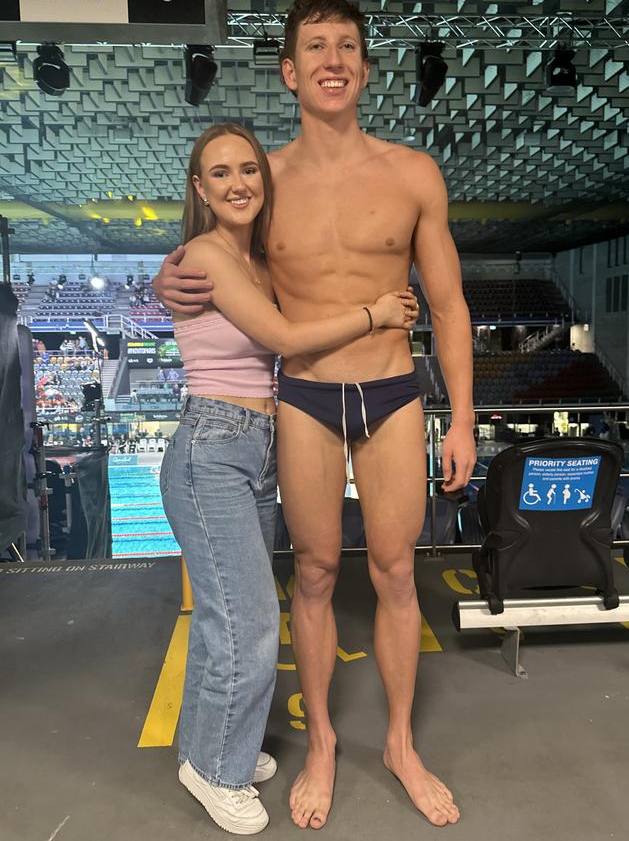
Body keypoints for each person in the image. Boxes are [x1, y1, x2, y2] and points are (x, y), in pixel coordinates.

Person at [154, 0, 475, 831]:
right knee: (320, 573)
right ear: (291, 71)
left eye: (348, 46)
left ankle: (401, 743)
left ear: (364, 67)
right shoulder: (266, 183)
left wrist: (467, 418)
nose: (333, 60)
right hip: (301, 394)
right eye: (315, 47)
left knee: (398, 570)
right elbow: (207, 250)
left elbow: (448, 306)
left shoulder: (413, 174)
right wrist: (162, 280)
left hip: (395, 391)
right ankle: (325, 741)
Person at [160, 121, 417, 836]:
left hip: (255, 444)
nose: (239, 182)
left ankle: (207, 747)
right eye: (221, 173)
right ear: (199, 188)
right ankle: (215, 771)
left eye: (249, 169)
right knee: (245, 623)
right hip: (211, 445)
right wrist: (376, 311)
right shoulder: (207, 254)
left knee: (223, 624)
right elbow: (284, 339)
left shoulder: (256, 260)